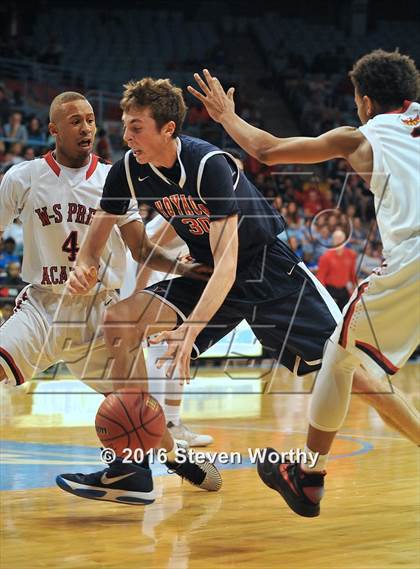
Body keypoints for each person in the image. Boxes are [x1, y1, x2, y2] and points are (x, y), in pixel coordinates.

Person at [64, 76, 418, 503]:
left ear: (167, 129)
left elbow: (231, 264)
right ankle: (134, 466)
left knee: (356, 375)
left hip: (269, 274)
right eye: (125, 125)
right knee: (120, 322)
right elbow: (111, 245)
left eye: (136, 126)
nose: (125, 135)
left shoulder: (208, 164)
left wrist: (192, 329)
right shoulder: (127, 171)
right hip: (209, 275)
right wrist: (85, 267)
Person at [187, 50, 420, 516]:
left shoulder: (360, 135)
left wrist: (228, 117)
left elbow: (268, 150)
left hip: (413, 255)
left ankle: (307, 473)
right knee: (344, 358)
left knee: (338, 356)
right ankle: (307, 472)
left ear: (366, 101)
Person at [0, 91, 221, 505]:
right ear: (53, 130)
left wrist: (186, 268)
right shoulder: (22, 177)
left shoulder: (113, 179)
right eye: (75, 122)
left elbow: (140, 248)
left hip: (101, 311)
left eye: (89, 120)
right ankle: (158, 463)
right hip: (45, 307)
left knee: (135, 408)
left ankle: (172, 461)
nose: (86, 128)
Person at [316, 229, 357, 310]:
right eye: (336, 238)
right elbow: (321, 277)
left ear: (345, 240)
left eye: (340, 238)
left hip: (344, 290)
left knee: (345, 313)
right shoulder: (326, 257)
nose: (339, 241)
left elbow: (352, 274)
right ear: (333, 240)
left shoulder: (351, 254)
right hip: (330, 290)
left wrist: (355, 288)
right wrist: (325, 295)